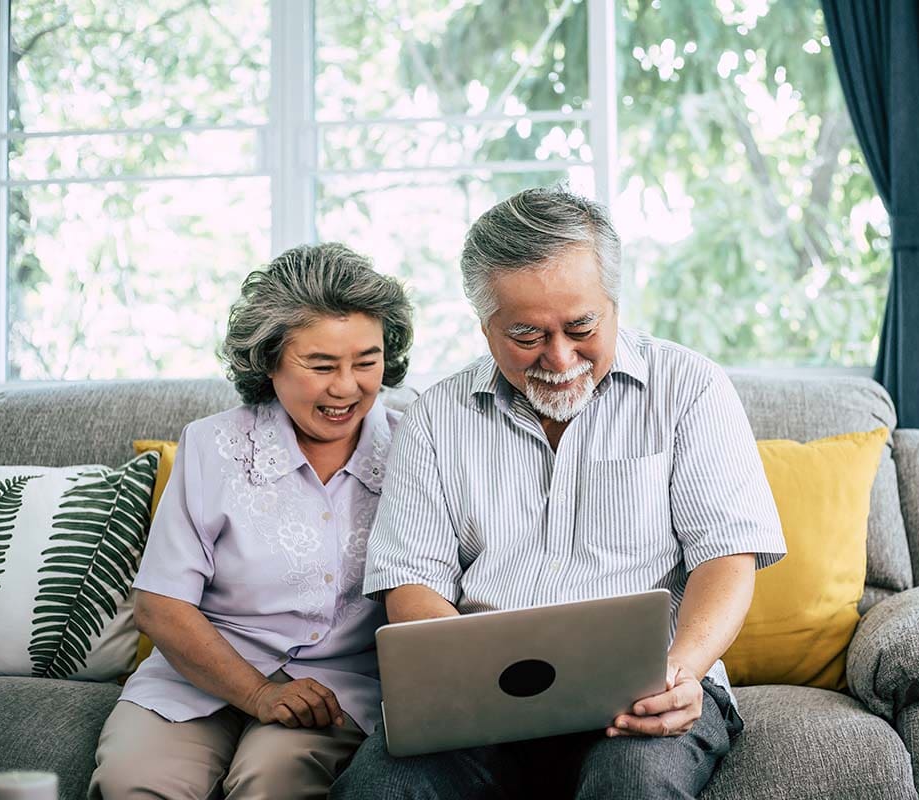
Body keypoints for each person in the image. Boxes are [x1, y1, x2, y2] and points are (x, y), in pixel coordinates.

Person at [331, 187, 788, 800]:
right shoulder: (435, 417)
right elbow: (412, 583)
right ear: (484, 324)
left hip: (649, 687)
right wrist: (474, 679)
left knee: (632, 785)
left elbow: (727, 558)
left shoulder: (690, 388)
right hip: (476, 700)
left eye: (581, 326)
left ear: (614, 303)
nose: (561, 357)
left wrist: (680, 672)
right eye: (526, 335)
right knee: (377, 791)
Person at [89, 243, 414, 800]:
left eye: (367, 361)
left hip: (340, 688)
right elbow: (160, 604)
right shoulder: (212, 445)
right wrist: (259, 694)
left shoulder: (417, 448)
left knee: (274, 780)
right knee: (133, 781)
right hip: (198, 674)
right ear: (268, 361)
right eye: (320, 365)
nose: (347, 388)